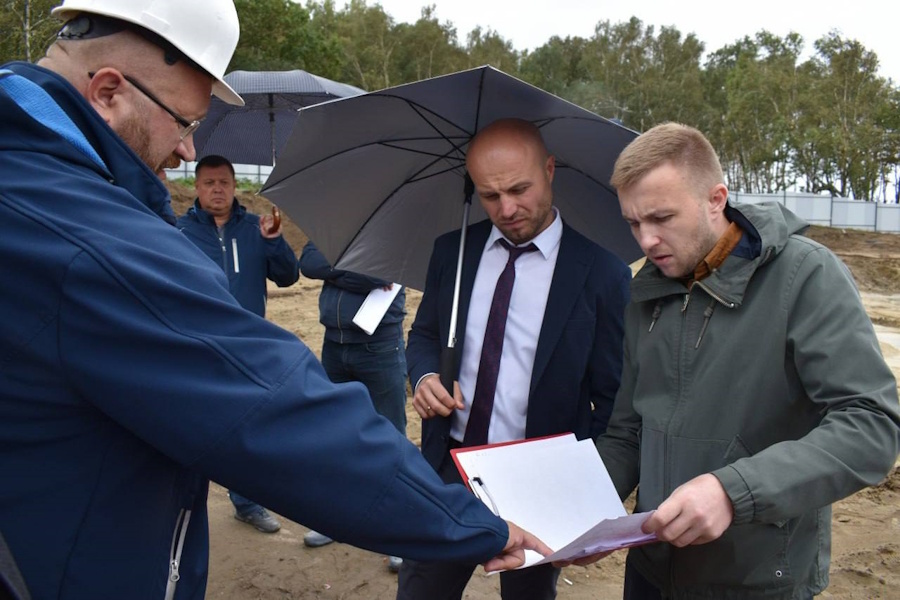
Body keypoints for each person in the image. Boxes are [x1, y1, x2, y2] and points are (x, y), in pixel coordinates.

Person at [0, 2, 552, 599]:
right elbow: (271, 407)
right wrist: (465, 522)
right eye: (185, 124)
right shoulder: (86, 235)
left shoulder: (30, 180)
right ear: (109, 91)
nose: (189, 152)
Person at [591, 122, 900, 599]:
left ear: (716, 198)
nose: (646, 241)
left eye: (661, 217)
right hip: (651, 573)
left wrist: (732, 491)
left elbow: (871, 425)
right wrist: (586, 511)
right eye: (633, 223)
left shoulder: (806, 276)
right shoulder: (646, 293)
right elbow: (628, 432)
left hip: (757, 581)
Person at [398, 118, 632, 600]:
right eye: (489, 195)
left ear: (550, 170)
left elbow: (613, 399)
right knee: (422, 590)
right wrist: (423, 376)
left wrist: (590, 493)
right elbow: (423, 334)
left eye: (520, 189)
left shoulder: (603, 274)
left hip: (541, 481)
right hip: (450, 466)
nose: (507, 208)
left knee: (527, 595)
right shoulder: (452, 251)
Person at [177, 154, 300, 534]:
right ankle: (183, 504)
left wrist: (275, 242)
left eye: (224, 183)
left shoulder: (255, 228)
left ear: (235, 187)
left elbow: (288, 277)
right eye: (209, 182)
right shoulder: (178, 232)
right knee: (191, 428)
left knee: (247, 429)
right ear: (196, 187)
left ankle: (247, 503)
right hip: (198, 347)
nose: (217, 189)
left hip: (248, 348)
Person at [298, 240, 408, 571]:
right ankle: (336, 519)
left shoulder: (397, 225)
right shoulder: (336, 221)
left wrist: (334, 270)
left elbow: (383, 273)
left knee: (390, 436)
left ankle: (398, 531)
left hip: (379, 347)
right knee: (337, 434)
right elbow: (309, 265)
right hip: (334, 344)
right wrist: (352, 268)